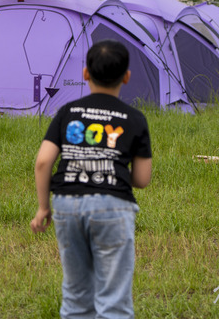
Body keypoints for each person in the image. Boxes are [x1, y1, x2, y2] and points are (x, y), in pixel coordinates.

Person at [30, 39, 152, 319]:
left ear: (85, 73)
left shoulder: (68, 112)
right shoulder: (134, 118)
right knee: (114, 298)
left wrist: (43, 207)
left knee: (76, 295)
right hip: (114, 206)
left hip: (67, 205)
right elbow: (142, 179)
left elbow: (43, 162)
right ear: (127, 76)